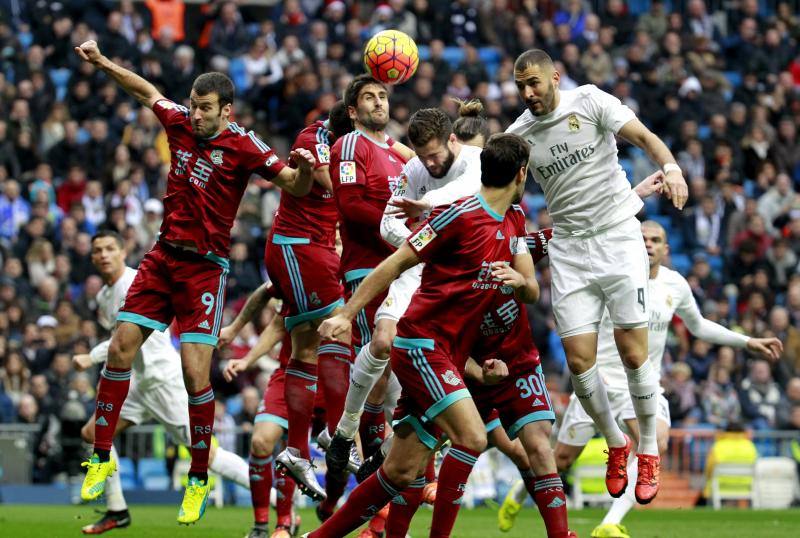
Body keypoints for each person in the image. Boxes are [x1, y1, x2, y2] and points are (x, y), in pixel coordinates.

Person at [73, 39, 315, 524]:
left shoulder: (246, 145)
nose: (195, 114)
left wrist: (308, 170)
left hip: (204, 267)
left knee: (194, 375)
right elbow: (145, 92)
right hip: (162, 258)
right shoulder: (180, 123)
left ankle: (199, 477)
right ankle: (100, 458)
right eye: (192, 105)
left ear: (226, 109)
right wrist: (101, 62)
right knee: (121, 347)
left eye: (204, 108)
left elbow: (293, 184)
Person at [310, 133, 537, 538]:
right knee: (471, 437)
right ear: (523, 174)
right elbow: (395, 263)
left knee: (398, 471)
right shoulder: (458, 216)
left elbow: (531, 283)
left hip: (448, 354)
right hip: (420, 345)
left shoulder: (512, 221)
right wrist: (347, 313)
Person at [506, 48, 689, 503]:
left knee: (631, 355)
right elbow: (486, 181)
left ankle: (647, 449)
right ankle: (615, 441)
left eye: (535, 83)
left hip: (617, 237)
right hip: (569, 247)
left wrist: (672, 168)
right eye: (521, 86)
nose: (529, 93)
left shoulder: (589, 101)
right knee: (581, 362)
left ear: (555, 76)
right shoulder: (520, 135)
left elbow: (646, 138)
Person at [549, 221, 778, 538]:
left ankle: (609, 524)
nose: (648, 244)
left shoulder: (675, 284)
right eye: (642, 238)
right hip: (600, 381)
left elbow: (697, 326)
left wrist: (746, 341)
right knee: (558, 460)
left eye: (655, 240)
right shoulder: (609, 274)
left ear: (666, 249)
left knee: (657, 439)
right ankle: (517, 496)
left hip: (641, 383)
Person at [326, 105, 482, 479]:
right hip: (424, 265)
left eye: (435, 154)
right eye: (423, 156)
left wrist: (427, 208)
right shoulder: (414, 170)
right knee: (382, 342)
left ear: (452, 140)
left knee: (464, 376)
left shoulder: (477, 161)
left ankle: (387, 452)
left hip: (464, 276)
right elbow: (386, 224)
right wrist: (421, 240)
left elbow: (466, 190)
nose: (429, 163)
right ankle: (344, 433)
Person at [73, 231, 250, 535]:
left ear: (122, 251)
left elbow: (132, 340)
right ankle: (117, 509)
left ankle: (275, 497)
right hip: (137, 384)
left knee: (205, 455)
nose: (103, 255)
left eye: (109, 249)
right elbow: (121, 343)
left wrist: (92, 356)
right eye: (97, 250)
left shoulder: (134, 283)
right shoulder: (104, 296)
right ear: (91, 258)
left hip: (162, 381)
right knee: (92, 434)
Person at [310, 74, 409, 497]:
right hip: (368, 269)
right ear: (352, 111)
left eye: (382, 96)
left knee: (404, 366)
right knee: (381, 357)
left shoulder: (399, 154)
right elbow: (351, 207)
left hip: (405, 268)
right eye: (368, 97)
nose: (378, 103)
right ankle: (357, 454)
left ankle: (375, 455)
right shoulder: (349, 146)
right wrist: (409, 235)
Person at [221, 301, 300, 538]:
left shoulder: (344, 275)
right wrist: (247, 358)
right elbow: (267, 298)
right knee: (260, 443)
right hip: (288, 374)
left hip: (332, 372)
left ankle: (377, 523)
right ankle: (267, 526)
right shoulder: (288, 275)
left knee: (347, 454)